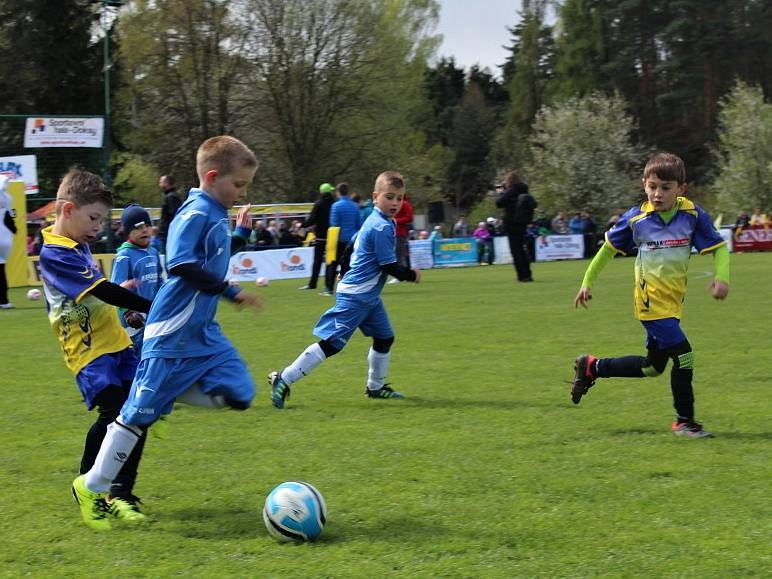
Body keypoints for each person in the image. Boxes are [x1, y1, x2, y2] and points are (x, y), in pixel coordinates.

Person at [72, 136, 263, 530]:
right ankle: (92, 484)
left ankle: (166, 394)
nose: (243, 192)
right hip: (172, 330)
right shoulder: (194, 213)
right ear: (212, 177)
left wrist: (241, 237)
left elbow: (215, 255)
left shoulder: (215, 213)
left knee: (241, 394)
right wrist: (230, 292)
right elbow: (181, 265)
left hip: (204, 333)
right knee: (136, 415)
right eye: (239, 185)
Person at [571, 152, 729, 439]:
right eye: (652, 186)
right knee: (685, 358)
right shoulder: (636, 220)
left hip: (673, 303)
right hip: (650, 304)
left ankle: (593, 367)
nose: (657, 194)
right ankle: (685, 422)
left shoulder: (692, 215)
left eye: (665, 188)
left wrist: (722, 278)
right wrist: (587, 282)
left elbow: (719, 248)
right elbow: (607, 249)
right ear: (644, 184)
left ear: (681, 189)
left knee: (652, 367)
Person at [38, 169, 155, 527]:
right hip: (87, 350)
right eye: (93, 218)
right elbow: (103, 290)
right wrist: (152, 305)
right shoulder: (54, 252)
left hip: (116, 341)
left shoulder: (80, 243)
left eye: (102, 220)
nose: (97, 227)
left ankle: (120, 493)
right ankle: (88, 483)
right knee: (113, 412)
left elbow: (104, 295)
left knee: (137, 414)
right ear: (68, 209)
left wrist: (132, 312)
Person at [268, 171, 421, 408]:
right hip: (357, 296)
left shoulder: (376, 219)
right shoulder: (380, 226)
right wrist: (412, 275)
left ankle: (376, 387)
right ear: (375, 196)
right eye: (389, 197)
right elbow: (389, 266)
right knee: (331, 344)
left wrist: (343, 267)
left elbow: (352, 245)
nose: (395, 203)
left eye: (399, 198)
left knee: (384, 338)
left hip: (367, 296)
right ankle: (283, 378)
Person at [111, 204, 163, 351]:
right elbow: (115, 291)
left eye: (147, 225)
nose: (145, 230)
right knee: (139, 358)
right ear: (128, 232)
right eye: (138, 227)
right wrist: (127, 312)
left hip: (153, 315)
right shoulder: (124, 256)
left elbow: (158, 281)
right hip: (134, 321)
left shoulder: (153, 252)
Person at [496, 171, 537, 282]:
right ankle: (528, 274)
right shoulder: (524, 190)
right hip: (522, 224)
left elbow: (499, 203)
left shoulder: (511, 191)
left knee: (516, 251)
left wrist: (500, 192)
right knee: (522, 250)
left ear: (509, 181)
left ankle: (521, 275)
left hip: (511, 223)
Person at [323, 182, 361, 296]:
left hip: (338, 239)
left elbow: (333, 224)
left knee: (332, 264)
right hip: (352, 240)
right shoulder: (355, 206)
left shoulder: (336, 206)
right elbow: (359, 225)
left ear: (338, 192)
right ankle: (350, 288)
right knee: (350, 265)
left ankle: (329, 289)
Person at [299, 183, 335, 290]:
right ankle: (328, 285)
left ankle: (312, 284)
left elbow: (311, 220)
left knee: (317, 262)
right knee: (330, 262)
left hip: (320, 237)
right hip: (332, 236)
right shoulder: (334, 204)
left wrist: (302, 225)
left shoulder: (318, 204)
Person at [387, 191, 413, 284]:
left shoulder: (405, 204)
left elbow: (409, 218)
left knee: (398, 255)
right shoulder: (398, 203)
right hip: (395, 232)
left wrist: (395, 220)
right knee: (397, 254)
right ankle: (403, 275)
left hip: (400, 232)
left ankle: (399, 276)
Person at [0, 176, 16, 309]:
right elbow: (13, 227)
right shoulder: (8, 201)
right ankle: (4, 301)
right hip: (5, 240)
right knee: (1, 271)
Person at [158, 175, 183, 254]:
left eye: (161, 182)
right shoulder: (171, 196)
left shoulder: (171, 197)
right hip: (168, 234)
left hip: (168, 235)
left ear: (167, 183)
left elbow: (175, 215)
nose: (159, 185)